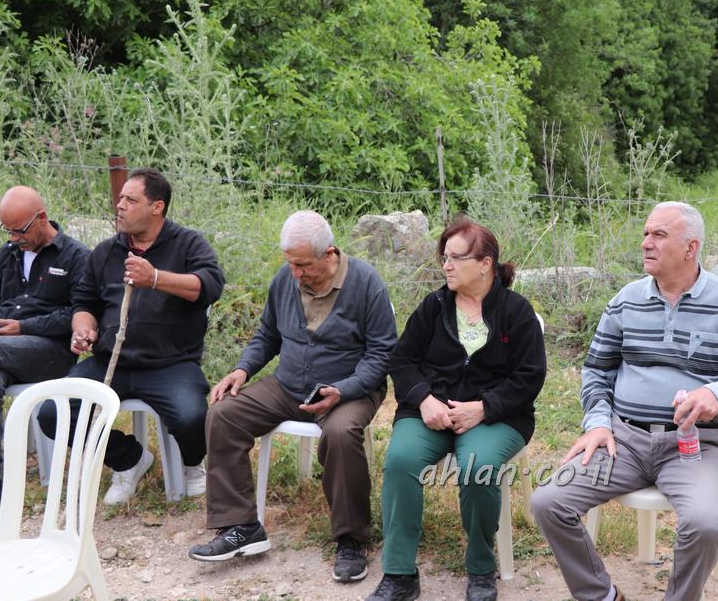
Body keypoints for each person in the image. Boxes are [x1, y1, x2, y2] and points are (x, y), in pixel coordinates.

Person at [531, 201, 718, 601]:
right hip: (622, 442)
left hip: (692, 446)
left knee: (705, 524)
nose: (646, 243)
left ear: (691, 247)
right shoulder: (625, 301)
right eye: (646, 233)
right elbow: (597, 371)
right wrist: (598, 422)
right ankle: (601, 595)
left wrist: (716, 393)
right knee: (548, 501)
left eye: (659, 235)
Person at [188, 211, 397, 584]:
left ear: (329, 254)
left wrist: (344, 390)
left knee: (340, 433)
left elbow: (382, 354)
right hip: (289, 386)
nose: (295, 273)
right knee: (223, 414)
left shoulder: (366, 283)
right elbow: (267, 334)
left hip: (348, 389)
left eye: (303, 265)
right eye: (290, 264)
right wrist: (242, 370)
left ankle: (351, 540)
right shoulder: (285, 279)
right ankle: (241, 527)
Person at [366, 218, 546, 601]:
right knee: (400, 460)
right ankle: (399, 574)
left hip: (497, 417)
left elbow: (530, 377)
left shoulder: (516, 312)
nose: (445, 266)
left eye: (455, 258)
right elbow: (402, 360)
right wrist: (423, 398)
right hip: (431, 411)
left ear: (485, 264)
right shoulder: (434, 307)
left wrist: (485, 408)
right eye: (444, 258)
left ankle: (481, 569)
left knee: (478, 467)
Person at [38, 167, 225, 505]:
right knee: (53, 412)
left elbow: (210, 286)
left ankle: (192, 464)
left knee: (192, 416)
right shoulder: (106, 252)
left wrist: (156, 278)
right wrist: (83, 328)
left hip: (171, 363)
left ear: (157, 207)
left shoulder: (188, 244)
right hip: (109, 361)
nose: (120, 205)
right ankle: (128, 459)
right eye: (120, 198)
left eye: (131, 200)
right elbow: (84, 302)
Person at [0, 186, 89, 504]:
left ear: (42, 218)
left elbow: (78, 313)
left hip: (50, 352)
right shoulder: (5, 255)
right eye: (7, 231)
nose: (13, 238)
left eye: (19, 231)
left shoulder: (75, 257)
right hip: (0, 348)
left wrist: (23, 327)